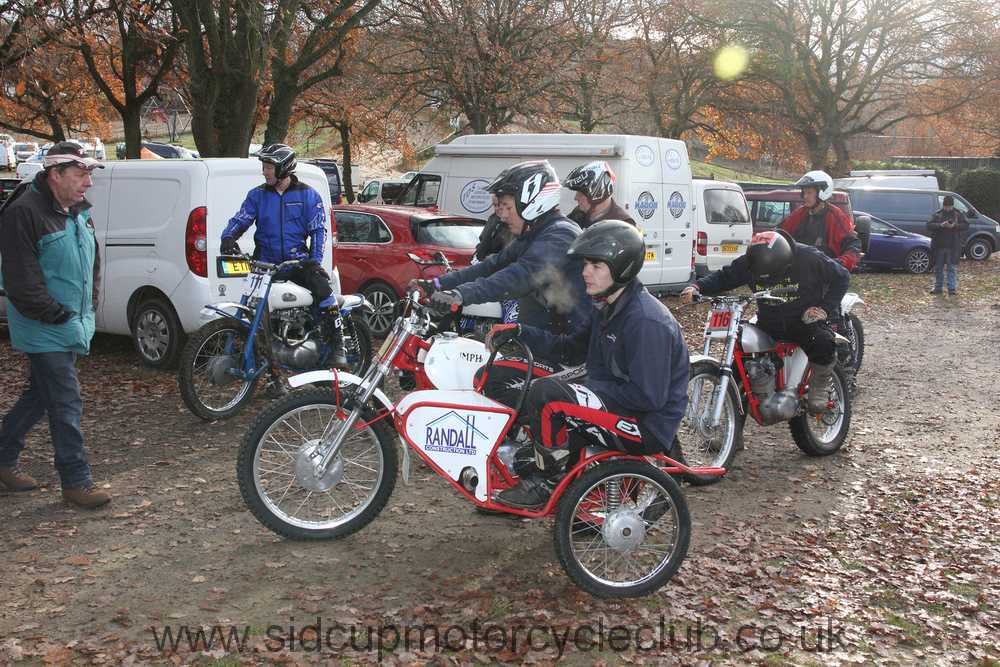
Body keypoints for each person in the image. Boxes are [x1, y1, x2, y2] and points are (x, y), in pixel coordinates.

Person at [485, 221, 689, 508]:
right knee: (501, 376)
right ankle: (535, 458)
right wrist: (519, 332)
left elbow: (648, 396)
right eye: (585, 264)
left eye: (596, 265)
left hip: (645, 425)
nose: (585, 272)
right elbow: (568, 348)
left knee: (548, 394)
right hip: (619, 403)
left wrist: (584, 388)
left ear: (622, 268)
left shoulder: (645, 322)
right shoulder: (607, 307)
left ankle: (546, 482)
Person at [0, 141, 110, 508]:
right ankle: (76, 481)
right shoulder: (23, 213)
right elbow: (20, 282)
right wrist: (59, 315)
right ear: (55, 175)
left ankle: (2, 456)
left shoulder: (78, 210)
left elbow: (91, 262)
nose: (88, 184)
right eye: (80, 175)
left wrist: (89, 309)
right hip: (42, 325)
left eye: (88, 175)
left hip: (70, 323)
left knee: (39, 396)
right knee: (65, 399)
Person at [412, 160, 590, 370]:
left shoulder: (560, 235)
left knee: (489, 383)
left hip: (566, 353)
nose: (502, 215)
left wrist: (460, 295)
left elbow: (518, 276)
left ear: (533, 203)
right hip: (540, 345)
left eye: (507, 207)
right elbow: (490, 266)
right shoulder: (534, 233)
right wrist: (436, 284)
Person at [681, 229, 849, 414]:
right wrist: (697, 286)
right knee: (739, 355)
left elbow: (841, 276)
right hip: (769, 322)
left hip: (804, 320)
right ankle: (732, 430)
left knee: (822, 341)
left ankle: (820, 385)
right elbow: (726, 276)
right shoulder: (751, 260)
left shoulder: (808, 257)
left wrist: (824, 308)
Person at [220, 143, 348, 369]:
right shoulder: (257, 195)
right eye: (264, 166)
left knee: (323, 290)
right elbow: (242, 219)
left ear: (284, 168)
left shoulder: (308, 195)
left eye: (269, 166)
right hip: (264, 264)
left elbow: (318, 230)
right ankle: (269, 370)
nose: (264, 171)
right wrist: (228, 237)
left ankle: (338, 346)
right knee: (254, 313)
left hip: (297, 263)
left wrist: (313, 262)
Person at [780, 170, 861, 271]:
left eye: (809, 193)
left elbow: (852, 245)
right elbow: (781, 232)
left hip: (823, 274)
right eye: (804, 192)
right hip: (798, 270)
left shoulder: (836, 216)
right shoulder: (799, 214)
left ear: (822, 192)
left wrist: (842, 262)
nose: (805, 196)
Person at [564, 161, 635, 228]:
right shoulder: (578, 214)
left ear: (598, 193)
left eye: (581, 194)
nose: (576, 198)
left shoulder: (623, 224)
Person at [927, 195, 968, 296]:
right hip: (939, 246)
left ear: (952, 205)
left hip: (953, 246)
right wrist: (941, 225)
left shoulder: (958, 214)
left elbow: (966, 225)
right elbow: (928, 225)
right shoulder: (937, 214)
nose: (947, 208)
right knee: (938, 268)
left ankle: (952, 289)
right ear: (943, 205)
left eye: (949, 206)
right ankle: (938, 287)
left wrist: (955, 226)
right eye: (945, 206)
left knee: (952, 268)